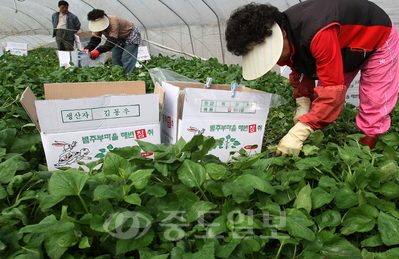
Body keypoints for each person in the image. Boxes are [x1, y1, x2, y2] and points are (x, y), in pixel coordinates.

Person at [225, 0, 399, 156]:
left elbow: (332, 90)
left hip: (377, 37)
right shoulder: (289, 30)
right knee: (322, 98)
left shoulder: (317, 32)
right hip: (343, 45)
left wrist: (300, 132)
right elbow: (300, 67)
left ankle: (367, 150)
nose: (277, 60)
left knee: (374, 98)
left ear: (282, 35)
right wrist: (303, 102)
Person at [83, 9, 144, 74]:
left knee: (127, 57)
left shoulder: (113, 22)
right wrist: (88, 48)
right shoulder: (97, 24)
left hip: (130, 34)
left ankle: (128, 75)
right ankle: (118, 75)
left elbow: (111, 41)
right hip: (117, 38)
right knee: (116, 57)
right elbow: (96, 38)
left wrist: (99, 50)